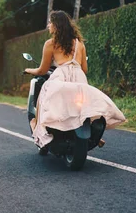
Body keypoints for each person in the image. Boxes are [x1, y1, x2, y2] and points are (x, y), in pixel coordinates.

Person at [24, 10, 126, 149]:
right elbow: (84, 69)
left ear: (56, 25)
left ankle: (42, 128)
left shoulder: (50, 44)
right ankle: (94, 135)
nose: (48, 25)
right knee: (84, 106)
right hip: (79, 78)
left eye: (50, 22)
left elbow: (42, 70)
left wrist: (29, 70)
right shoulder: (80, 44)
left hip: (61, 77)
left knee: (44, 99)